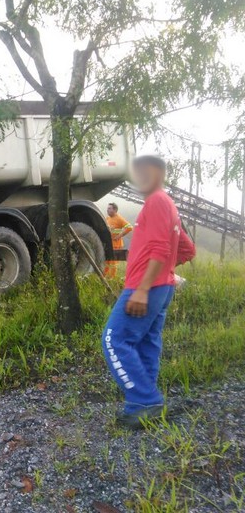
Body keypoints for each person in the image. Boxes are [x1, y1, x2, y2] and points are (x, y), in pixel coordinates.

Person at [102, 155, 196, 429]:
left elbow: (160, 249)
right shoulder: (169, 206)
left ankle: (145, 400)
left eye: (141, 173)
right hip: (161, 286)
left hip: (146, 287)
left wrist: (143, 289)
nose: (136, 179)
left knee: (113, 339)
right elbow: (187, 249)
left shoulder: (156, 202)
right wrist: (167, 271)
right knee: (145, 342)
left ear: (156, 173)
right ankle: (145, 408)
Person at [104, 202, 133, 277]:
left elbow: (129, 227)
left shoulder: (119, 218)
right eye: (107, 208)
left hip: (116, 245)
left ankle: (112, 278)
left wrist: (119, 235)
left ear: (115, 210)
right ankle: (103, 276)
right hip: (109, 244)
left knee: (113, 263)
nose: (107, 210)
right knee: (107, 261)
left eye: (109, 208)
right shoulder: (107, 218)